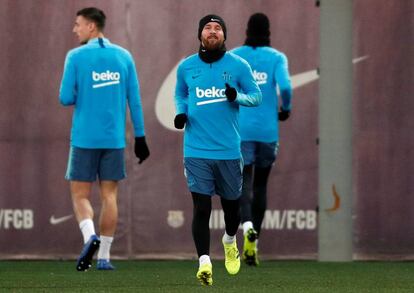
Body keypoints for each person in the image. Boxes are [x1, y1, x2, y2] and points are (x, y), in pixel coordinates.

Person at [59, 7, 149, 271]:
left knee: (79, 195)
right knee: (110, 196)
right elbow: (135, 100)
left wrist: (84, 90)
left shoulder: (75, 56)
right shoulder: (124, 56)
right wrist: (141, 137)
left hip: (84, 139)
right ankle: (105, 258)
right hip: (114, 140)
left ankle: (90, 237)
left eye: (78, 25)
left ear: (91, 27)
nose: (75, 29)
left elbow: (65, 98)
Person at [174, 14, 262, 286]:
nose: (212, 32)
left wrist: (238, 97)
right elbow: (180, 94)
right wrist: (181, 112)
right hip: (196, 150)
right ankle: (204, 262)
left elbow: (256, 96)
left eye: (218, 28)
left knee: (231, 209)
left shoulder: (238, 65)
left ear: (224, 35)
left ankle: (229, 240)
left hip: (228, 150)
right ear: (200, 34)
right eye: (207, 28)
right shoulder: (187, 67)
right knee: (201, 207)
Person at [231, 13, 292, 266]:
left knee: (243, 183)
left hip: (241, 131)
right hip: (267, 132)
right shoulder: (276, 58)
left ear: (247, 30)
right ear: (268, 31)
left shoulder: (235, 56)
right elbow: (286, 87)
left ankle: (246, 228)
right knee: (261, 187)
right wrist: (285, 108)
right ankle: (254, 243)